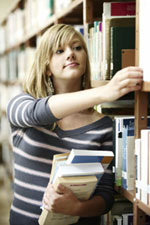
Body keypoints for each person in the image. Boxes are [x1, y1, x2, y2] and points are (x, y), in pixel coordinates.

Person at [7, 24, 143, 225]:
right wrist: (105, 92)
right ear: (46, 66)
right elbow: (37, 113)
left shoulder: (103, 125)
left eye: (77, 47)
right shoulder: (22, 103)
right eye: (60, 51)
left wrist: (76, 208)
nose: (70, 54)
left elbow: (105, 197)